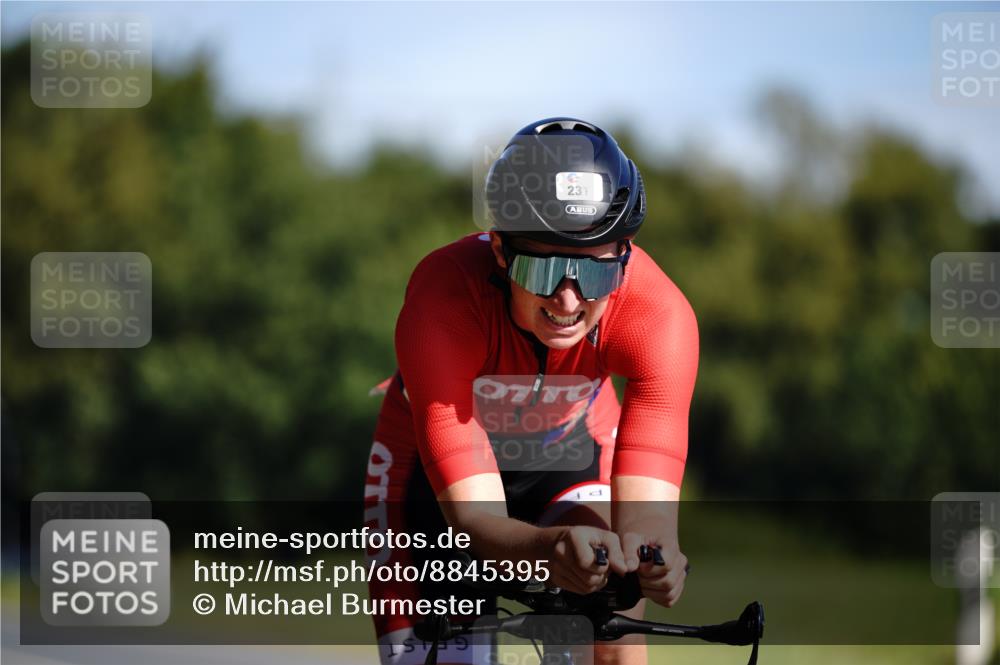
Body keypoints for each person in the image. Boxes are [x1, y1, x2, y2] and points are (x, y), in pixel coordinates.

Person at [364, 117, 699, 665]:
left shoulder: (657, 316)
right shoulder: (445, 298)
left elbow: (649, 521)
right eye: (544, 271)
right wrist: (547, 550)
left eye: (592, 275)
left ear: (626, 255)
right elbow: (475, 521)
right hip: (431, 483)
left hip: (570, 453)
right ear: (499, 250)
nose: (568, 302)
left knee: (614, 630)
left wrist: (652, 558)